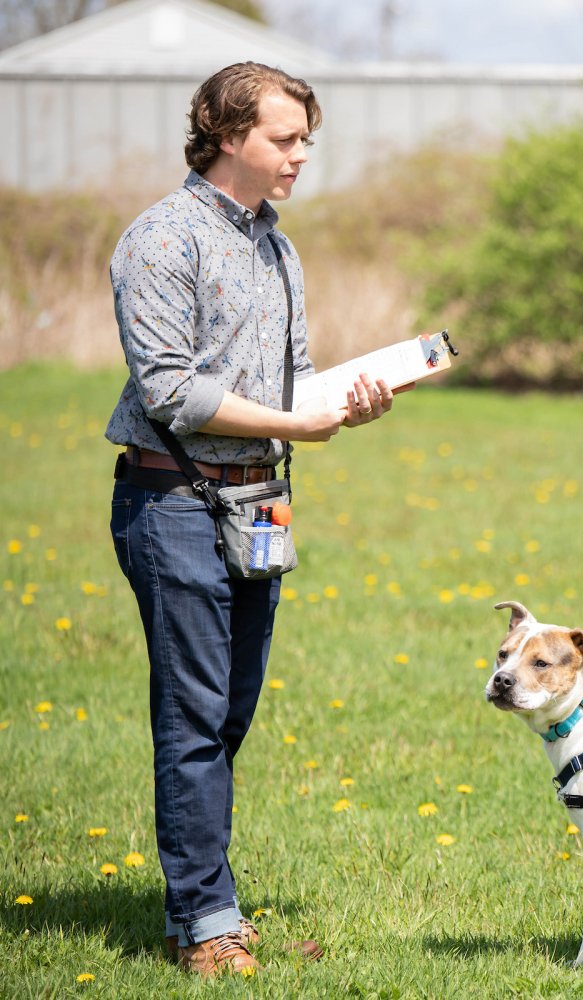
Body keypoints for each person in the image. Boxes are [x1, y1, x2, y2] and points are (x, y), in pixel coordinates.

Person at [107, 62, 401, 976]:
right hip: (176, 501)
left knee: (229, 715)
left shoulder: (278, 246)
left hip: (260, 504)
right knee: (194, 717)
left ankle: (200, 902)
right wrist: (291, 423)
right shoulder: (161, 240)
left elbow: (291, 380)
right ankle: (206, 926)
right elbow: (170, 388)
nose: (299, 156)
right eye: (284, 139)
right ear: (228, 134)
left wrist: (343, 405)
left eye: (305, 139)